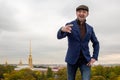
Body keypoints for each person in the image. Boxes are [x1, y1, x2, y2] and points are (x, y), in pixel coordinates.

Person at [57, 5, 100, 80]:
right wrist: (61, 30)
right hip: (71, 59)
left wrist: (94, 57)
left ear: (87, 14)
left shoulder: (90, 28)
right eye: (79, 12)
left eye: (84, 12)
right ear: (76, 13)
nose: (81, 13)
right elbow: (59, 36)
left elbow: (96, 43)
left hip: (85, 60)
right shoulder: (70, 25)